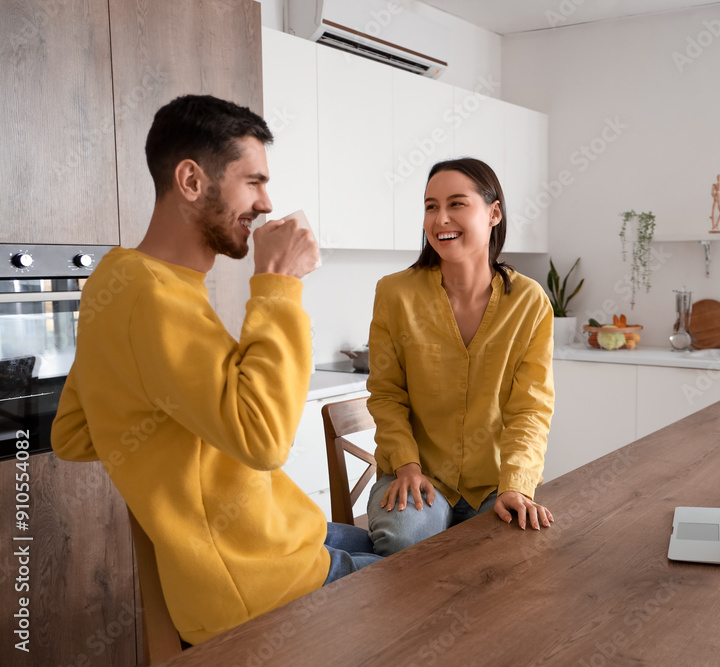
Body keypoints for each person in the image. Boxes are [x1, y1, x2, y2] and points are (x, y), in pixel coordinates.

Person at [50, 94, 379, 646]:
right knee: (459, 588)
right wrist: (279, 282)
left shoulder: (118, 279)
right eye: (253, 182)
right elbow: (265, 440)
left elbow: (75, 433)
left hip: (277, 543)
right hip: (263, 587)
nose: (267, 203)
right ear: (191, 180)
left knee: (428, 536)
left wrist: (166, 461)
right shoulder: (151, 297)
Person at [365, 157, 556, 556]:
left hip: (493, 481)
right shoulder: (395, 294)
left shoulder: (529, 302)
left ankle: (335, 549)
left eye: (456, 204)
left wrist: (517, 485)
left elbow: (531, 409)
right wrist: (406, 466)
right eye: (431, 206)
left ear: (494, 213)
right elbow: (386, 395)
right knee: (407, 539)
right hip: (418, 473)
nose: (441, 219)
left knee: (512, 551)